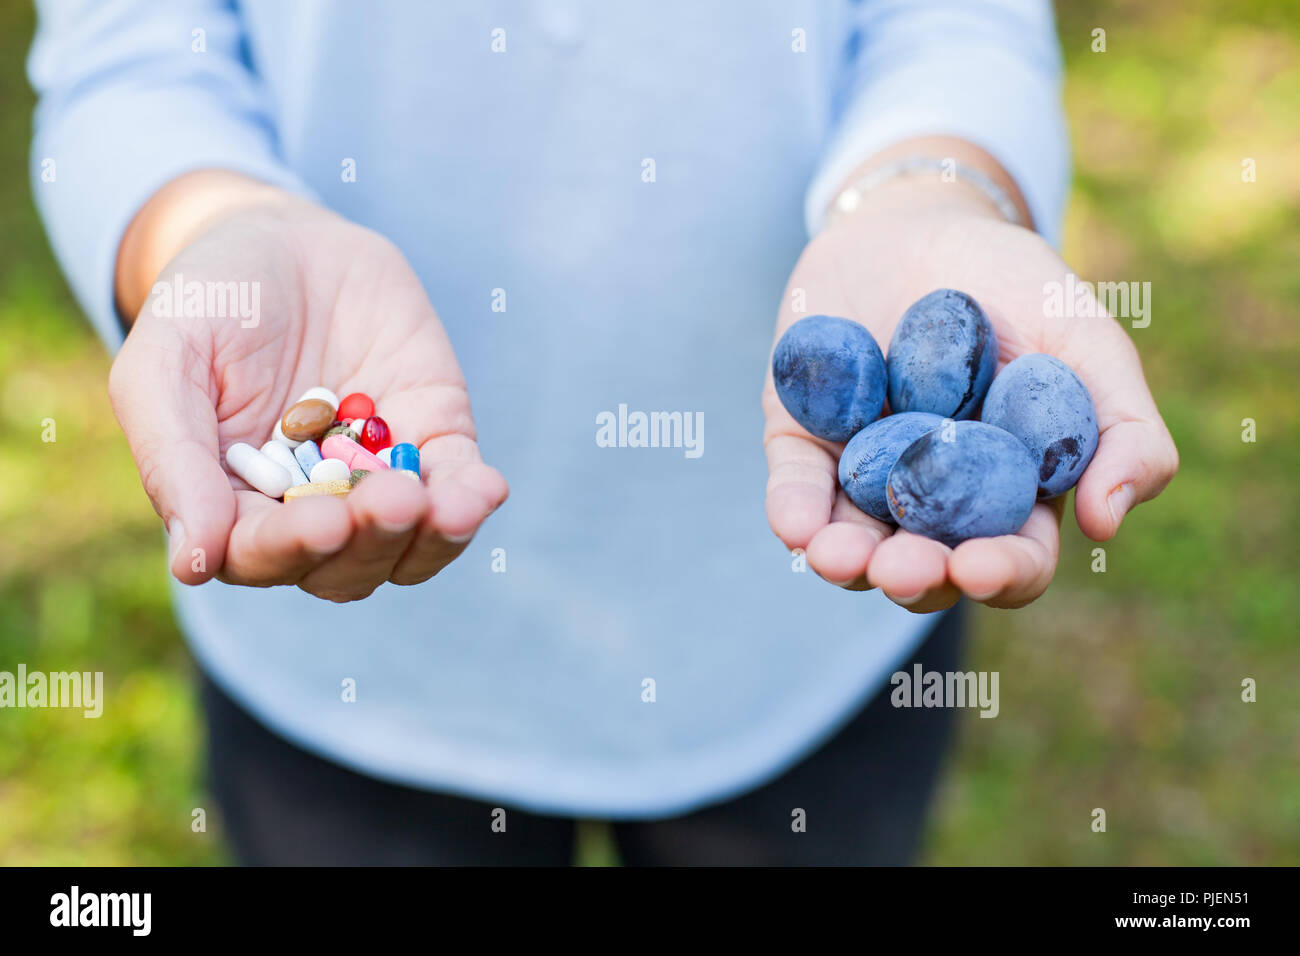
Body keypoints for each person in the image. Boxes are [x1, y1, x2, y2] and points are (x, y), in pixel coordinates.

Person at [28, 0, 1176, 865]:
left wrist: (933, 192)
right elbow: (127, 45)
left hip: (793, 630)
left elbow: (952, 20)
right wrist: (212, 226)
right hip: (347, 671)